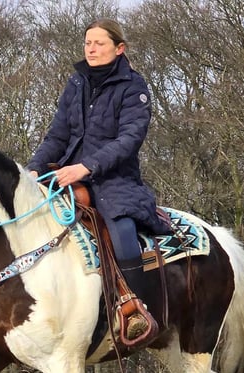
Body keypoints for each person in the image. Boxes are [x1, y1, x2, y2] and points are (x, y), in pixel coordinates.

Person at [27, 18, 170, 341]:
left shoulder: (134, 87)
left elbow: (129, 140)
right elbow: (57, 135)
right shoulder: (76, 83)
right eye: (87, 43)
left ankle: (133, 310)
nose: (91, 49)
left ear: (119, 49)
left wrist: (86, 168)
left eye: (99, 43)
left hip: (114, 181)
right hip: (65, 176)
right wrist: (34, 168)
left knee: (121, 231)